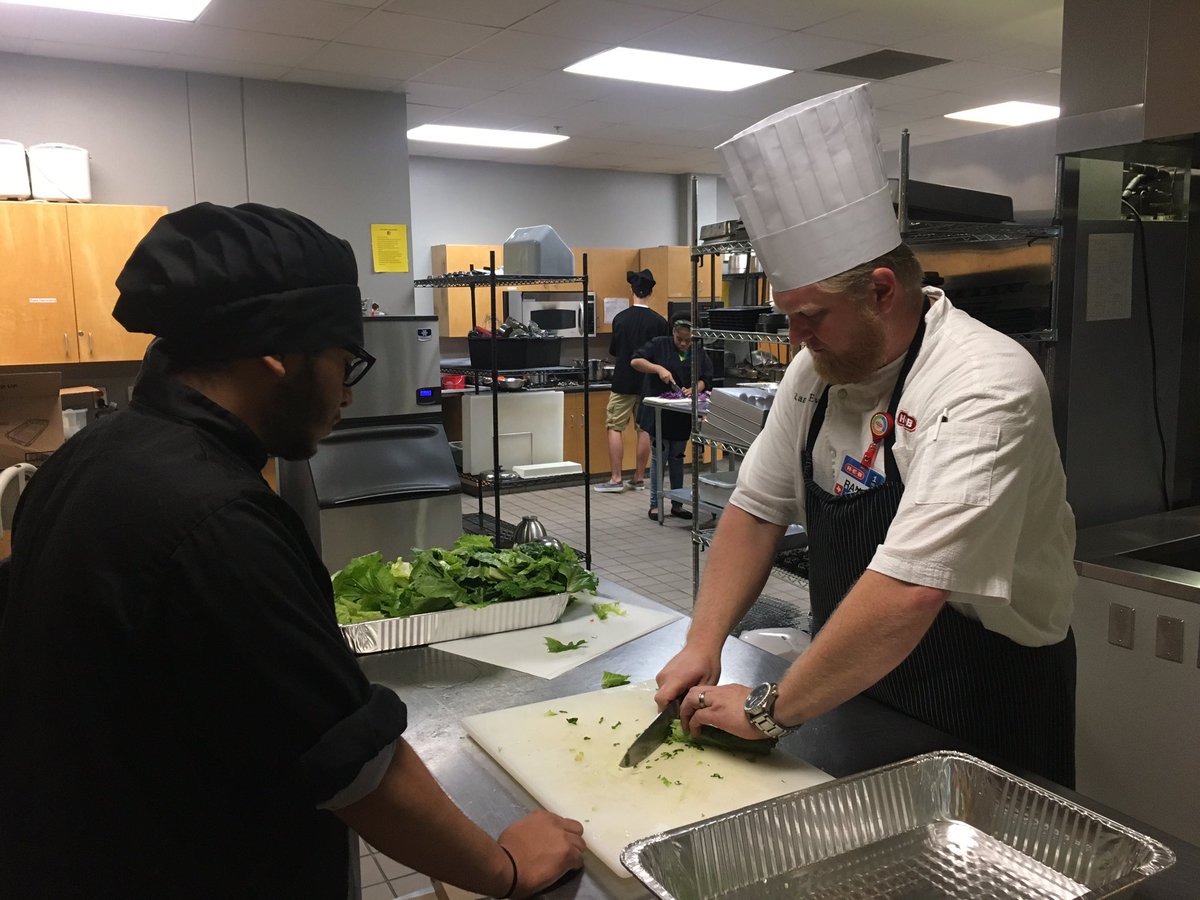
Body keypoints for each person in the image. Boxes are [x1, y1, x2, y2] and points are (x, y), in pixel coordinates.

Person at [0, 202, 584, 899]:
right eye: (343, 361)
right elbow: (353, 766)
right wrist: (505, 868)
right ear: (276, 354)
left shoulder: (95, 453)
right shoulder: (216, 519)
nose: (344, 390)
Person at [655, 85, 1078, 787]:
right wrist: (704, 644)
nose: (794, 337)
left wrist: (768, 712)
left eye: (811, 315)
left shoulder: (986, 383)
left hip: (986, 692)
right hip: (854, 672)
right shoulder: (813, 370)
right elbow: (757, 508)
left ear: (882, 290)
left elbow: (913, 589)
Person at [594, 268, 668, 493]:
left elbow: (615, 351)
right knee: (643, 428)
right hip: (648, 383)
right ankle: (638, 478)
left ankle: (616, 478)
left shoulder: (620, 319)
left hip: (623, 381)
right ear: (651, 292)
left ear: (632, 290)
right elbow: (663, 354)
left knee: (614, 426)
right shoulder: (660, 322)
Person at [632, 317, 713, 522]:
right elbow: (636, 361)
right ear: (673, 334)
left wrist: (696, 388)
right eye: (680, 339)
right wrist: (658, 369)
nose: (684, 344)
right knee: (660, 457)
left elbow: (706, 378)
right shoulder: (659, 344)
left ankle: (677, 504)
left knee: (677, 457)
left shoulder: (698, 351)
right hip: (659, 412)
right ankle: (655, 504)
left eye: (688, 340)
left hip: (681, 413)